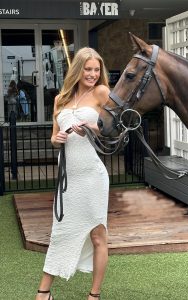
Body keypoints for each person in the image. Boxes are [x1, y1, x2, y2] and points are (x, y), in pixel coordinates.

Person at [36, 47, 110, 300]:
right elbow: (55, 139)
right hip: (68, 178)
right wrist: (56, 139)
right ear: (77, 70)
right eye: (87, 69)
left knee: (98, 236)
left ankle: (94, 295)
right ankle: (44, 292)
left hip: (92, 175)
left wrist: (94, 126)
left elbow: (113, 128)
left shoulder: (101, 92)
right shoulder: (60, 99)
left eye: (96, 69)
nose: (92, 74)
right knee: (61, 232)